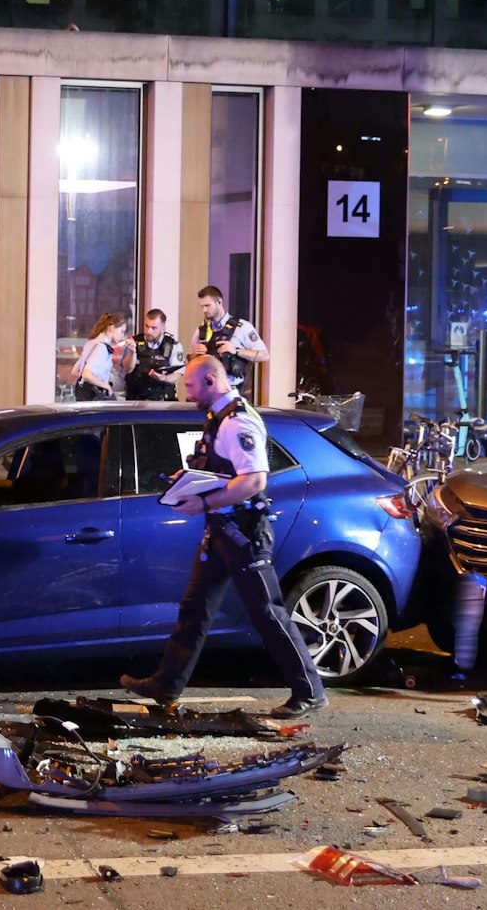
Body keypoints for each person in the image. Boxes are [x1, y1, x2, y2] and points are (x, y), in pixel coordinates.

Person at [119, 355, 327, 719]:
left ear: (211, 381)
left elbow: (253, 481)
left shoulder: (237, 422)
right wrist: (189, 481)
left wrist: (203, 502)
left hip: (243, 532)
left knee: (267, 611)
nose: (186, 391)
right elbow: (225, 470)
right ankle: (166, 684)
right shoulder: (221, 416)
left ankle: (309, 690)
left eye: (191, 385)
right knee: (195, 607)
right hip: (222, 530)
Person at [189, 285, 268, 391]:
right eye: (202, 306)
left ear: (219, 302)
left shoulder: (242, 327)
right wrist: (195, 354)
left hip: (230, 391)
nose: (204, 310)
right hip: (206, 390)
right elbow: (190, 360)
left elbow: (264, 355)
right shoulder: (201, 329)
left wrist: (236, 351)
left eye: (207, 305)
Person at [70, 313, 131, 402]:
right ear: (112, 328)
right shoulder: (102, 348)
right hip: (94, 396)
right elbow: (86, 374)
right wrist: (105, 385)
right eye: (121, 331)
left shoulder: (91, 343)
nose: (123, 336)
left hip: (84, 393)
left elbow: (75, 371)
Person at [127, 309, 185, 401]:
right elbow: (127, 369)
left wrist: (163, 378)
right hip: (137, 399)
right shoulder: (134, 342)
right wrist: (132, 352)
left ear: (163, 329)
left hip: (163, 400)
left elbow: (177, 377)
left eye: (154, 328)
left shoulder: (174, 345)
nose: (149, 331)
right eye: (146, 326)